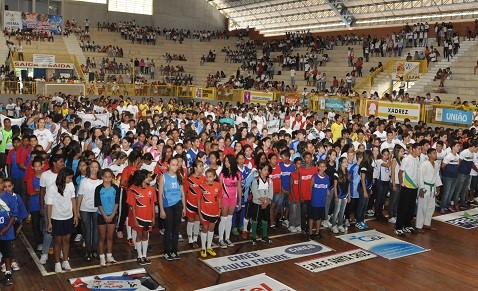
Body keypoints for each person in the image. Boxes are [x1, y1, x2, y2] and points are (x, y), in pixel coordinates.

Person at [46, 167, 78, 273]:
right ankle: (57, 263)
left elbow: (73, 199)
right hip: (56, 218)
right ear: (63, 177)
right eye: (69, 178)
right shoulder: (52, 187)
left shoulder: (71, 185)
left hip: (68, 217)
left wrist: (75, 215)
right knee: (58, 241)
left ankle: (65, 260)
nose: (70, 180)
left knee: (66, 240)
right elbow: (49, 205)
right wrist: (49, 222)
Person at [158, 157, 185, 261]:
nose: (175, 166)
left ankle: (174, 251)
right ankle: (166, 251)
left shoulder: (179, 176)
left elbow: (182, 192)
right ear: (168, 165)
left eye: (176, 165)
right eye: (173, 164)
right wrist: (161, 209)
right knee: (168, 229)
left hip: (178, 205)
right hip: (168, 206)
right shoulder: (163, 177)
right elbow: (160, 194)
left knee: (176, 229)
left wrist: (184, 207)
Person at [127, 169, 156, 265]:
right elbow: (133, 206)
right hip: (139, 216)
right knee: (139, 235)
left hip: (148, 216)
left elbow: (152, 204)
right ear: (142, 178)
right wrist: (135, 219)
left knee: (145, 234)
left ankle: (145, 255)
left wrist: (153, 217)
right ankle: (139, 256)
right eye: (148, 176)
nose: (150, 178)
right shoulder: (133, 189)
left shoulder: (151, 189)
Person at [77, 160, 103, 262]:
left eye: (96, 167)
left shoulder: (101, 181)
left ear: (99, 168)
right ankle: (88, 250)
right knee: (87, 230)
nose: (94, 169)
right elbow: (80, 196)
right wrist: (77, 210)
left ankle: (94, 249)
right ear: (89, 168)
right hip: (85, 209)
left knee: (96, 230)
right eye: (92, 167)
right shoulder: (84, 181)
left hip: (97, 209)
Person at [395, 143, 421, 236]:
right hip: (406, 187)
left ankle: (407, 225)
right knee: (403, 208)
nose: (420, 151)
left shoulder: (417, 159)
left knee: (411, 207)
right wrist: (403, 184)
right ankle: (398, 227)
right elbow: (400, 172)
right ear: (413, 149)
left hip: (414, 186)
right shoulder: (406, 159)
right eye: (418, 149)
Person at [94, 168, 119, 266]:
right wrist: (105, 215)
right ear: (102, 177)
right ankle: (102, 256)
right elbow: (98, 203)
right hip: (101, 215)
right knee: (102, 237)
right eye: (106, 177)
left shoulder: (115, 188)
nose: (108, 179)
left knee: (110, 236)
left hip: (112, 215)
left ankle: (109, 255)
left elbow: (117, 202)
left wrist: (112, 214)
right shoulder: (99, 189)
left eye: (109, 177)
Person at [218, 155, 242, 248]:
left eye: (228, 161)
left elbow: (239, 188)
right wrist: (219, 201)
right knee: (223, 218)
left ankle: (227, 238)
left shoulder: (238, 174)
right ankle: (220, 239)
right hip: (224, 198)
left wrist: (239, 201)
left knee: (229, 218)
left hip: (233, 198)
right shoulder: (222, 174)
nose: (226, 163)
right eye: (225, 161)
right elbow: (219, 188)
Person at [416, 148, 441, 233]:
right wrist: (421, 188)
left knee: (431, 207)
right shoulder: (424, 164)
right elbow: (420, 177)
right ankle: (419, 226)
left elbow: (437, 176)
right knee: (422, 207)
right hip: (425, 187)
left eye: (436, 153)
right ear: (429, 155)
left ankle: (427, 224)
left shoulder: (436, 164)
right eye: (434, 153)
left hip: (432, 188)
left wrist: (438, 186)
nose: (436, 155)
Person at [198, 169, 221, 257]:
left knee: (211, 229)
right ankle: (203, 248)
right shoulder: (202, 186)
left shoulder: (218, 185)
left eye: (210, 176)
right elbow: (199, 199)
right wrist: (199, 212)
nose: (208, 178)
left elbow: (219, 198)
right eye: (207, 176)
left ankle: (209, 247)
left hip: (214, 212)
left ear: (214, 177)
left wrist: (219, 209)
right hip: (204, 212)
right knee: (205, 228)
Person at [0, 178, 19, 285]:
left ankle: (8, 275)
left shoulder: (10, 198)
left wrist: (6, 228)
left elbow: (14, 214)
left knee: (7, 254)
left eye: (1, 182)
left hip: (6, 231)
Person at [249, 163, 273, 245]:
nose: (266, 172)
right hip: (257, 203)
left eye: (267, 170)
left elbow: (271, 192)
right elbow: (255, 192)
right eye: (265, 170)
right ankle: (253, 237)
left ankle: (264, 236)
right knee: (255, 219)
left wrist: (267, 201)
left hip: (266, 203)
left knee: (265, 219)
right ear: (260, 170)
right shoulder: (256, 181)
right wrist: (263, 200)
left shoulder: (270, 181)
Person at [185, 160, 205, 249]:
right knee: (191, 221)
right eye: (200, 166)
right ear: (195, 168)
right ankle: (190, 240)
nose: (202, 167)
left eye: (202, 165)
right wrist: (184, 205)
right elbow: (184, 192)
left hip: (200, 204)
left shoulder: (204, 178)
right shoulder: (189, 179)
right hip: (190, 203)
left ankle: (195, 239)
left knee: (197, 221)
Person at [309, 160, 330, 239]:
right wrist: (313, 196)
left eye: (323, 166)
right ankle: (310, 232)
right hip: (315, 201)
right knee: (312, 217)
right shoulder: (315, 176)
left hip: (322, 201)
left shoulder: (327, 177)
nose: (321, 168)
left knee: (319, 218)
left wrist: (327, 192)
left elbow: (326, 187)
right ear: (317, 167)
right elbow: (310, 187)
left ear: (326, 168)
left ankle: (317, 232)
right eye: (320, 166)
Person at [356, 150, 374, 230]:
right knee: (361, 205)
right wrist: (365, 191)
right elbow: (363, 179)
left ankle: (362, 220)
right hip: (363, 188)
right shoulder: (364, 165)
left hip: (368, 187)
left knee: (365, 205)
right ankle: (358, 221)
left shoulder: (369, 165)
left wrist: (370, 188)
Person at [331, 157, 350, 234]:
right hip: (339, 195)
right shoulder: (336, 173)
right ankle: (333, 225)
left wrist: (349, 195)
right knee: (336, 211)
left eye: (346, 162)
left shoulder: (348, 173)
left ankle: (340, 224)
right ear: (340, 163)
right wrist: (336, 196)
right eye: (344, 162)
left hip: (345, 195)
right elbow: (335, 186)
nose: (346, 163)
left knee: (342, 211)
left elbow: (348, 185)